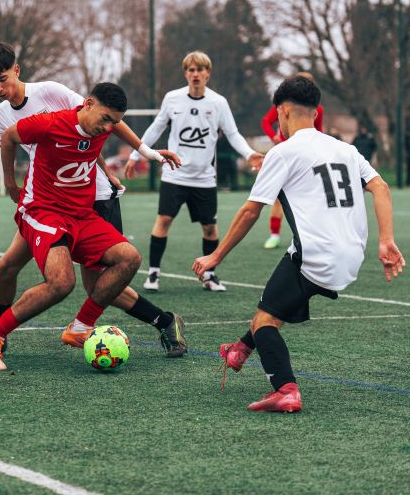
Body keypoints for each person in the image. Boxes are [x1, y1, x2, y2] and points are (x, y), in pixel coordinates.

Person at [0, 41, 187, 360]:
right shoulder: (2, 116)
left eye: (3, 79)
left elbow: (101, 121)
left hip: (92, 196)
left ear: (17, 70)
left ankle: (163, 321)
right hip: (49, 201)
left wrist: (142, 153)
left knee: (97, 282)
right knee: (8, 266)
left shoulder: (50, 92)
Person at [192, 74, 405, 413]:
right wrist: (387, 241)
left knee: (265, 322)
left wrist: (216, 255)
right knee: (275, 301)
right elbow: (380, 187)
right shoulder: (346, 149)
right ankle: (240, 350)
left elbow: (250, 211)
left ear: (284, 111)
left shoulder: (283, 152)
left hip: (315, 256)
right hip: (351, 255)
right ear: (316, 112)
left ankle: (286, 390)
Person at [0, 82, 142, 370]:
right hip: (42, 211)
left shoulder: (102, 129)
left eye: (113, 123)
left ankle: (81, 326)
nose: (108, 128)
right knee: (61, 282)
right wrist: (10, 184)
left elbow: (104, 138)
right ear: (88, 104)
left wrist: (145, 152)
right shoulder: (50, 123)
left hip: (81, 215)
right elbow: (9, 136)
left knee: (130, 258)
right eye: (105, 119)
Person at [125, 51, 263, 292]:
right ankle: (154, 273)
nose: (195, 74)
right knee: (164, 220)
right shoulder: (172, 99)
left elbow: (233, 134)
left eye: (200, 69)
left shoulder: (218, 103)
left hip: (204, 178)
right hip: (174, 175)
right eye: (191, 70)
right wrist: (135, 155)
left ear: (208, 73)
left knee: (209, 227)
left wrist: (249, 153)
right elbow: (156, 128)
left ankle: (209, 275)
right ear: (186, 74)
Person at [260, 72, 323, 250]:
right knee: (278, 198)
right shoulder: (283, 105)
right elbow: (266, 122)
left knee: (312, 195)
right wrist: (274, 137)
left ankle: (313, 235)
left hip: (308, 156)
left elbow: (318, 130)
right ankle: (274, 235)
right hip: (286, 155)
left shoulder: (317, 109)